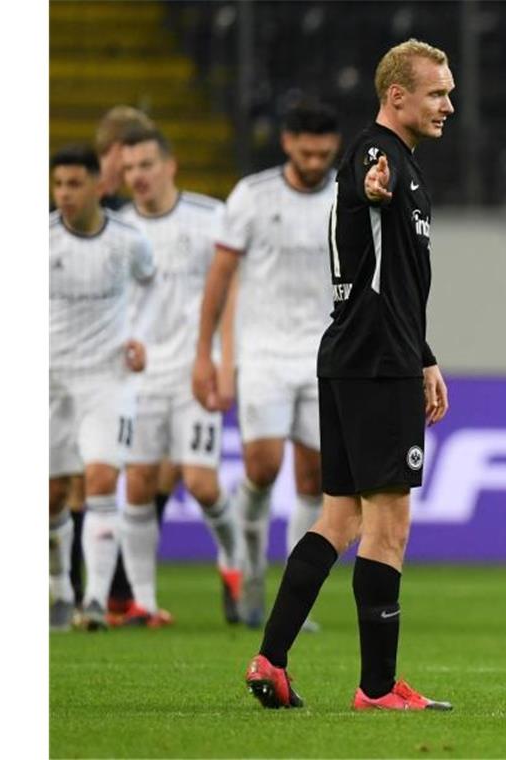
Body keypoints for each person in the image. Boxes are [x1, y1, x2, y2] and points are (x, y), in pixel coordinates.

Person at [242, 38, 453, 712]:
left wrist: (425, 354)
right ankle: (378, 687)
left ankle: (270, 659)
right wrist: (369, 191)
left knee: (339, 517)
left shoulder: (402, 163)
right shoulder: (378, 155)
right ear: (397, 96)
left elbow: (391, 279)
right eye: (436, 93)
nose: (449, 104)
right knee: (389, 524)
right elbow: (365, 187)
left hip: (357, 356)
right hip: (374, 364)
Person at [192, 100, 341, 630]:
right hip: (262, 355)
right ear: (287, 143)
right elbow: (219, 278)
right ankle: (246, 566)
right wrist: (205, 355)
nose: (315, 160)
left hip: (324, 354)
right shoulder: (251, 197)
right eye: (307, 150)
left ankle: (290, 601)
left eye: (324, 152)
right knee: (261, 466)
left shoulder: (347, 199)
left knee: (315, 476)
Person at [118, 127, 243, 626]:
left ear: (170, 166)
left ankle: (236, 562)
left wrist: (223, 358)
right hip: (142, 375)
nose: (137, 177)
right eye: (128, 169)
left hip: (197, 366)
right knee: (139, 483)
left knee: (201, 483)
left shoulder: (210, 217)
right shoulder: (119, 229)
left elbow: (234, 289)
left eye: (145, 165)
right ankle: (144, 604)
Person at [49, 145, 157, 631]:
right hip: (49, 379)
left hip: (107, 380)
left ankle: (93, 601)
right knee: (51, 496)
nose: (64, 194)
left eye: (74, 184)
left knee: (99, 481)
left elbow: (151, 288)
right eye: (58, 185)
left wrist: (140, 335)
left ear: (96, 185)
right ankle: (60, 589)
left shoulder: (130, 242)